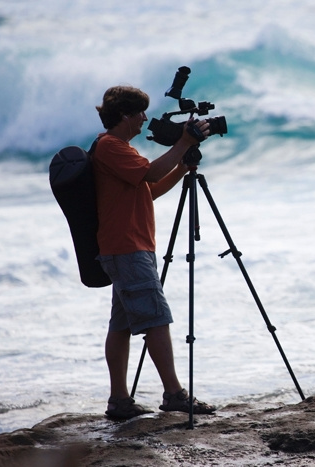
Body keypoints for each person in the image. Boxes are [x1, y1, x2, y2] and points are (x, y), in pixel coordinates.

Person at [92, 85, 215, 420]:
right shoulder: (111, 147)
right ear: (124, 115)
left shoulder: (120, 149)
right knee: (156, 320)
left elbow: (152, 189)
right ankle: (174, 394)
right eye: (140, 113)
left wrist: (182, 168)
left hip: (129, 247)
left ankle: (119, 400)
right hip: (127, 248)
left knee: (121, 325)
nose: (145, 118)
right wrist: (183, 142)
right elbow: (151, 173)